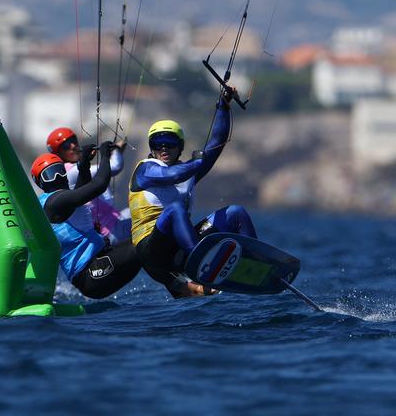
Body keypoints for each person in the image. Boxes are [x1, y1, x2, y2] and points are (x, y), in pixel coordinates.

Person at [128, 89, 258, 298]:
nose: (164, 148)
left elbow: (215, 144)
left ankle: (254, 263)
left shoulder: (187, 171)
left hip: (180, 247)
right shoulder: (145, 169)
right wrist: (197, 163)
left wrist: (223, 106)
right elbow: (172, 175)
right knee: (175, 208)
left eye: (170, 143)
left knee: (236, 213)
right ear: (151, 147)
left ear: (179, 147)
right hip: (151, 249)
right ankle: (198, 259)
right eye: (157, 143)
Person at [31, 142, 142, 299]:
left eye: (60, 171)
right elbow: (99, 185)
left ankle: (179, 280)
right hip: (90, 275)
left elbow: (81, 189)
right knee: (143, 246)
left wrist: (83, 164)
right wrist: (105, 156)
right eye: (49, 174)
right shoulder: (53, 203)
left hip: (101, 261)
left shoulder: (63, 201)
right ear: (40, 182)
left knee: (146, 240)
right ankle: (178, 287)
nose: (58, 177)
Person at [46, 127, 131, 244]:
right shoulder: (71, 172)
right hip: (111, 231)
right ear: (58, 153)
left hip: (115, 220)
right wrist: (115, 151)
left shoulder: (76, 168)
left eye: (73, 141)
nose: (73, 146)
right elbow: (115, 166)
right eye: (65, 146)